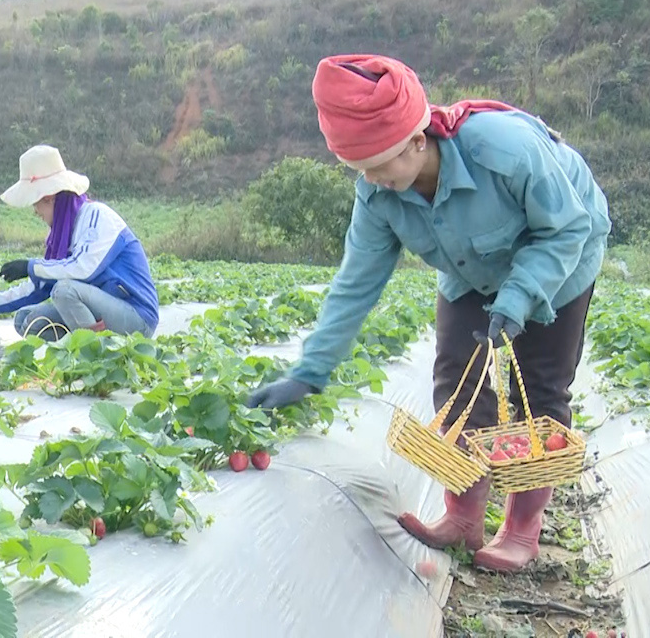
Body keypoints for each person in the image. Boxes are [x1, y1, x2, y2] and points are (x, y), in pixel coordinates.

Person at [245, 54, 611, 573]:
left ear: (419, 141)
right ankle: (463, 515)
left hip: (560, 255)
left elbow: (566, 228)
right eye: (360, 169)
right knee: (456, 380)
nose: (371, 178)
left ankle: (522, 528)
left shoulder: (502, 150)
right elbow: (355, 285)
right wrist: (309, 371)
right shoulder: (377, 196)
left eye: (379, 163)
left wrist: (520, 295)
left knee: (541, 389)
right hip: (470, 268)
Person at [0, 144, 159, 340]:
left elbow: (83, 268)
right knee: (28, 321)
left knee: (64, 291)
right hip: (102, 308)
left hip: (136, 316)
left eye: (35, 203)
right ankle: (84, 345)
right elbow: (39, 285)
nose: (35, 212)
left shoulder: (97, 217)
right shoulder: (65, 232)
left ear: (48, 198)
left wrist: (30, 266)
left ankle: (94, 355)